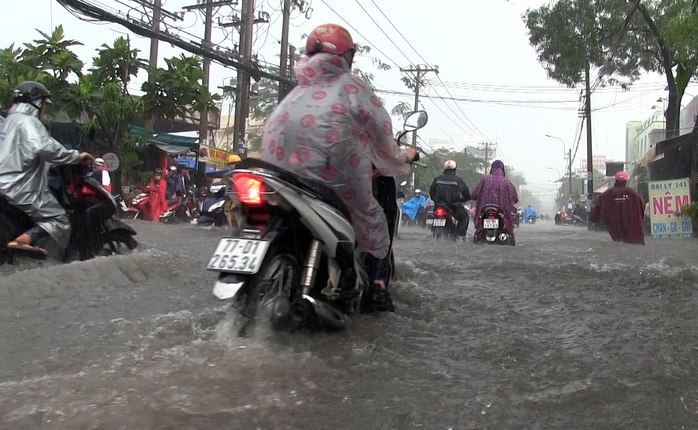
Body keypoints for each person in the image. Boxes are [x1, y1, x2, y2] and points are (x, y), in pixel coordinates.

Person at [259, 23, 418, 302]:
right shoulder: (353, 89)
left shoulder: (294, 94)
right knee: (376, 219)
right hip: (332, 189)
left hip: (282, 182)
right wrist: (402, 156)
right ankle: (378, 288)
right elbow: (382, 139)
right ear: (348, 57)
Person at [0, 81, 93, 257]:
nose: (44, 110)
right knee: (58, 219)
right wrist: (77, 156)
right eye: (44, 105)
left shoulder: (8, 121)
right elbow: (46, 148)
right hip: (17, 189)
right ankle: (21, 241)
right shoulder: (29, 122)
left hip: (6, 188)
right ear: (36, 103)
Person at [590, 171, 645, 244]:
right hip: (631, 226)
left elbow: (596, 207)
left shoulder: (606, 194)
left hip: (614, 225)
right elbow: (642, 205)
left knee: (618, 242)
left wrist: (594, 219)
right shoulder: (633, 193)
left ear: (615, 181)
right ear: (625, 181)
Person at [471, 160, 519, 243]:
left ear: (492, 169)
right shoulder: (507, 183)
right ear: (503, 170)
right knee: (509, 234)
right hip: (502, 212)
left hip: (485, 211)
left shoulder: (484, 180)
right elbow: (514, 198)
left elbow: (474, 194)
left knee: (477, 234)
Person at [429, 159, 472, 238]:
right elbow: (466, 193)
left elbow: (432, 193)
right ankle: (460, 236)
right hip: (454, 207)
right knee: (465, 217)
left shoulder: (437, 179)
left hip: (439, 206)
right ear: (455, 170)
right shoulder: (458, 180)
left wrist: (436, 200)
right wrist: (466, 198)